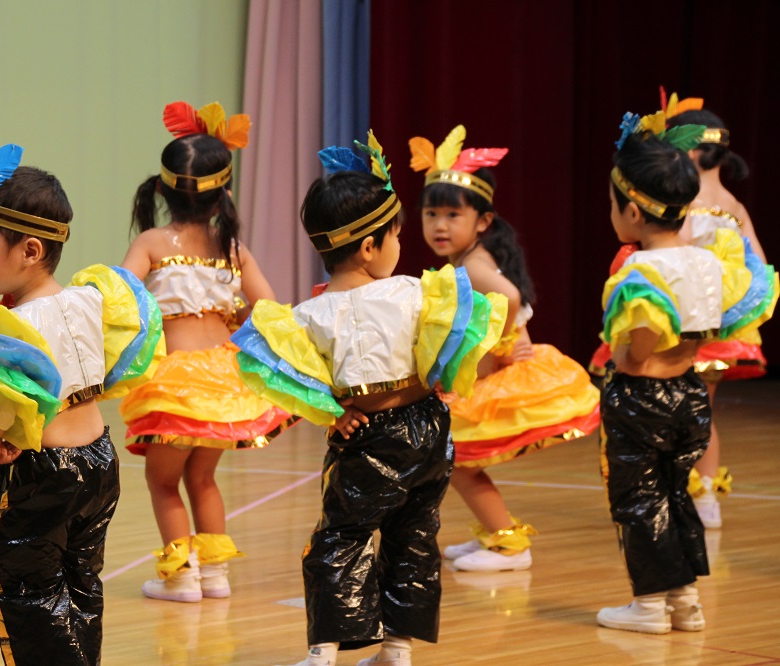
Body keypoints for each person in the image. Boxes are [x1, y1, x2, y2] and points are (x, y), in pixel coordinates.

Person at [232, 131, 507, 666]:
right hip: (428, 434)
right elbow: (440, 358)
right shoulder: (414, 292)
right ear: (369, 246)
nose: (402, 247)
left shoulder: (307, 317)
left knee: (341, 539)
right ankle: (396, 651)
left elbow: (305, 383)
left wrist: (336, 414)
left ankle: (323, 652)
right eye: (397, 236)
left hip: (367, 441)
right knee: (414, 537)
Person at [0, 136, 150, 664]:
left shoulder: (10, 329)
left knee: (27, 596)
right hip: (99, 461)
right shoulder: (89, 299)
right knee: (81, 587)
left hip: (41, 476)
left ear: (29, 251)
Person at [596, 109, 775, 634]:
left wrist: (627, 361)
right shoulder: (708, 261)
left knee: (638, 501)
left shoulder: (640, 269)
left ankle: (649, 604)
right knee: (676, 494)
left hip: (643, 396)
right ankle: (685, 600)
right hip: (689, 393)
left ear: (632, 212)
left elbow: (643, 339)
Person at [118, 101, 290, 603]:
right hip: (225, 377)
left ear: (164, 189)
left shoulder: (152, 240)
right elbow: (269, 306)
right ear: (224, 195)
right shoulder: (232, 247)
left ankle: (181, 575)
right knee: (203, 476)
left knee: (162, 480)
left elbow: (120, 296)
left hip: (176, 382)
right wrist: (231, 321)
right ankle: (214, 575)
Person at [409, 126, 600, 572]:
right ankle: (499, 535)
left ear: (482, 221)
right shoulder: (465, 261)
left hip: (495, 377)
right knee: (456, 463)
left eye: (452, 216)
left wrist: (499, 356)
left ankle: (509, 543)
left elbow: (510, 297)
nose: (439, 225)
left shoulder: (473, 266)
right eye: (431, 213)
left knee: (459, 463)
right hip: (484, 373)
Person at [667, 93, 769, 528]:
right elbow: (761, 270)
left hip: (690, 322)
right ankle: (704, 495)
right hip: (728, 327)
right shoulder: (735, 206)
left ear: (687, 151)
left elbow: (676, 253)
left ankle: (686, 494)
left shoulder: (684, 204)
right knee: (701, 409)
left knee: (677, 408)